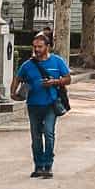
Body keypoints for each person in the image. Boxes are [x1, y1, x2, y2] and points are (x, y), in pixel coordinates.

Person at [13, 32, 72, 179]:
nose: (37, 49)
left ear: (47, 47)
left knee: (49, 133)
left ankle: (48, 165)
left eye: (40, 47)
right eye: (35, 47)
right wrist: (13, 93)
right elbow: (17, 78)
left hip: (51, 103)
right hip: (33, 104)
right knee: (36, 137)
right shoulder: (28, 65)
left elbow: (68, 79)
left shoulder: (57, 62)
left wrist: (54, 82)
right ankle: (38, 165)